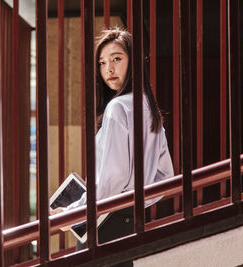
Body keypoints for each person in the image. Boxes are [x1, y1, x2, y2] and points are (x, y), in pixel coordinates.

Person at [52, 27, 174, 266]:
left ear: (134, 62)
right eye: (102, 62)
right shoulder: (149, 107)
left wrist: (72, 213)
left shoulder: (117, 108)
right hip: (127, 224)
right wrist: (131, 202)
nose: (108, 69)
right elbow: (165, 178)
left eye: (117, 59)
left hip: (103, 224)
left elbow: (112, 179)